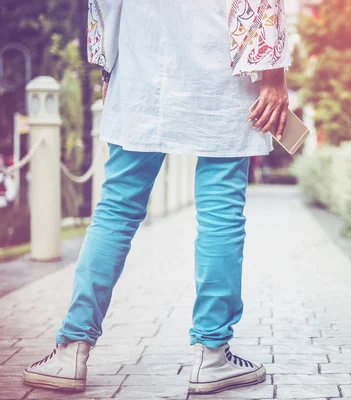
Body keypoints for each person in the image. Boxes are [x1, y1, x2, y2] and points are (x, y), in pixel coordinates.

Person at [22, 0, 291, 395]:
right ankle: (212, 355)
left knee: (116, 210)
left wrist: (107, 63)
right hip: (220, 73)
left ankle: (70, 352)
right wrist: (274, 78)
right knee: (221, 211)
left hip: (140, 68)